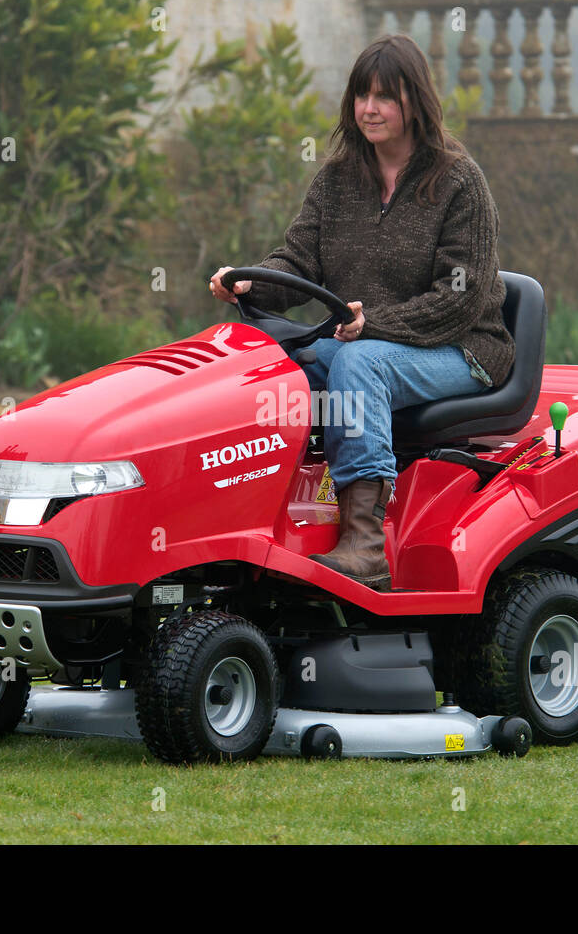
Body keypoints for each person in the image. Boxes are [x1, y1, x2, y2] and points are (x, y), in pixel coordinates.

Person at [210, 33, 514, 592]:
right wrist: (252, 280)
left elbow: (459, 298)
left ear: (414, 102)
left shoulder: (459, 183)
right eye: (361, 96)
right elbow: (299, 259)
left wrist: (371, 326)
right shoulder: (337, 180)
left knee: (358, 367)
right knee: (270, 364)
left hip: (461, 349)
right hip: (366, 341)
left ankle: (365, 545)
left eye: (385, 97)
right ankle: (249, 518)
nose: (369, 109)